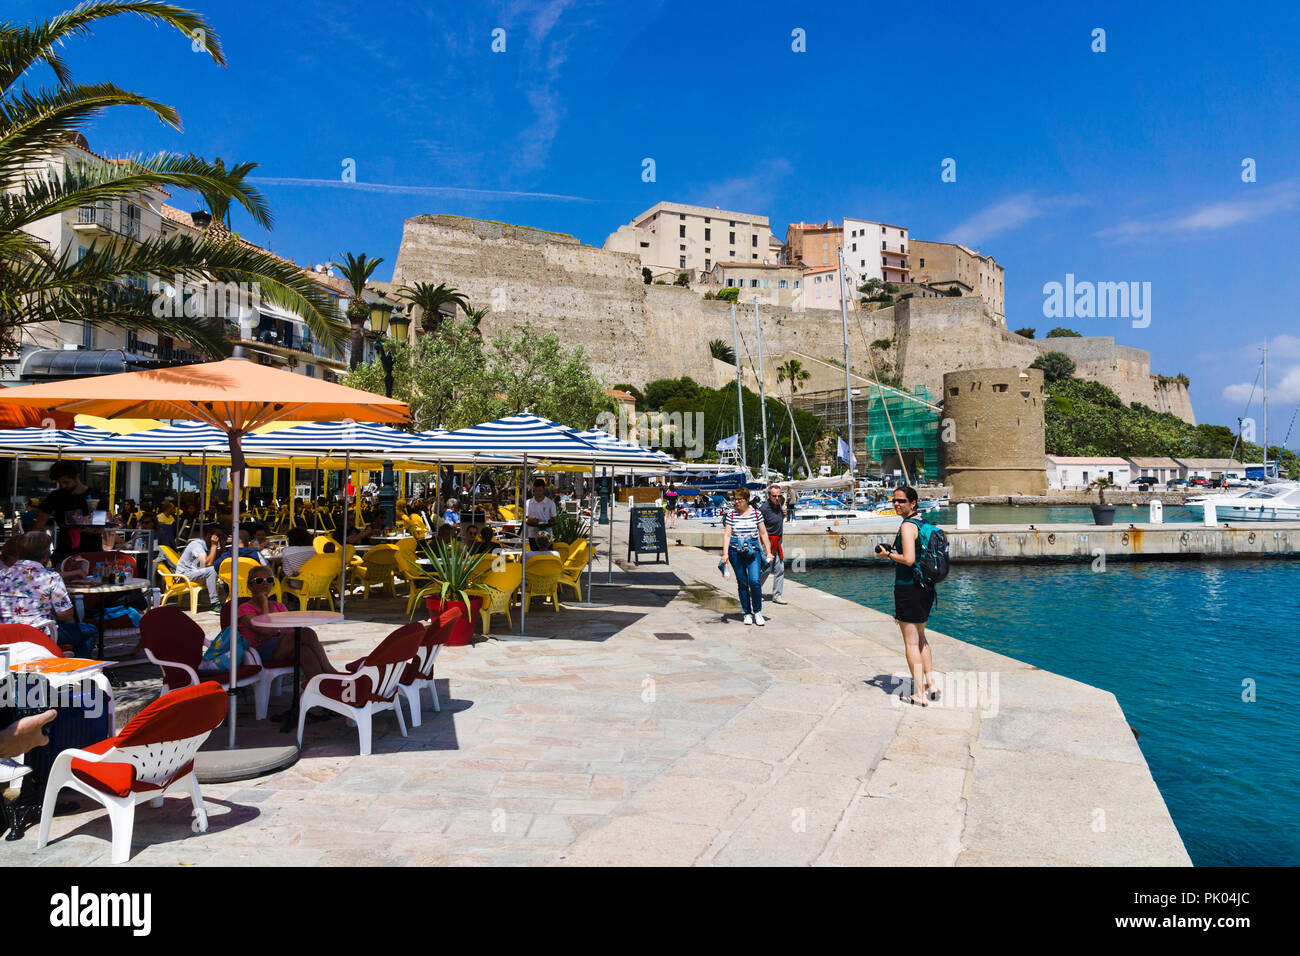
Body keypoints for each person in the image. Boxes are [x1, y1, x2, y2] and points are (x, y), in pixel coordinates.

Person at [874, 485, 938, 706]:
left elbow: (909, 559)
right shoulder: (923, 523)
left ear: (913, 503)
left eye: (901, 501)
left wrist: (888, 554)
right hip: (926, 587)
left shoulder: (907, 526)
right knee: (921, 637)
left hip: (908, 586)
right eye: (894, 501)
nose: (896, 504)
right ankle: (931, 683)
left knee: (911, 643)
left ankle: (919, 693)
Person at [0, 533, 98, 656]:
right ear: (45, 555)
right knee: (90, 631)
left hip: (5, 636)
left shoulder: (2, 574)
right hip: (38, 634)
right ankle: (79, 671)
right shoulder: (51, 577)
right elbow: (65, 614)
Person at [235, 571, 340, 681]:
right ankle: (330, 671)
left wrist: (275, 632)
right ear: (250, 586)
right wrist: (264, 603)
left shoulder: (278, 606)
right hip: (258, 653)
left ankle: (319, 686)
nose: (265, 584)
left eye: (269, 580)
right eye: (259, 581)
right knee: (306, 633)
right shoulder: (245, 608)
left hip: (281, 647)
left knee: (305, 652)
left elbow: (290, 629)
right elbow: (266, 630)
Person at [720, 486, 771, 626]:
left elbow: (763, 533)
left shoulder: (756, 514)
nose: (735, 502)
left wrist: (769, 551)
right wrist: (725, 554)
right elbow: (727, 535)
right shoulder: (731, 515)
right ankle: (747, 613)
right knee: (742, 582)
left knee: (754, 581)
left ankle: (758, 612)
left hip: (753, 550)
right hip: (735, 551)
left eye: (738, 499)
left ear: (746, 499)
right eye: (734, 499)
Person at [31, 461, 99, 564]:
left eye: (66, 482)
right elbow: (39, 525)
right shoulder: (55, 496)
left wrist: (87, 529)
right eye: (60, 482)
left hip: (92, 553)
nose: (63, 486)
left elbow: (102, 526)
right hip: (64, 553)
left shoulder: (95, 495)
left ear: (77, 477)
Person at [757, 484, 791, 605]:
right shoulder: (764, 508)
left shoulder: (779, 505)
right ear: (769, 495)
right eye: (774, 496)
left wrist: (784, 514)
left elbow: (778, 519)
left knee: (780, 568)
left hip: (778, 541)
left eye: (778, 495)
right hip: (768, 541)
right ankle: (755, 591)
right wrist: (760, 544)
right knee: (766, 568)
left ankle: (777, 595)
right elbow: (758, 528)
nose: (777, 498)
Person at [175, 527, 225, 606]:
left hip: (194, 573)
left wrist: (223, 545)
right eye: (218, 535)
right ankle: (215, 604)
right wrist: (214, 545)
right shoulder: (197, 545)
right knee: (211, 570)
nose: (219, 538)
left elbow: (220, 560)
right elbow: (208, 563)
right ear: (209, 535)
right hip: (183, 576)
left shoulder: (209, 546)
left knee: (219, 568)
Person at [525, 479, 556, 551]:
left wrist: (550, 522)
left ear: (544, 490)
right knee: (534, 557)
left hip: (547, 537)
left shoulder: (550, 503)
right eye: (535, 491)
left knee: (547, 558)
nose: (537, 493)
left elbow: (554, 519)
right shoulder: (528, 503)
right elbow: (525, 519)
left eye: (540, 491)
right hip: (533, 535)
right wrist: (531, 520)